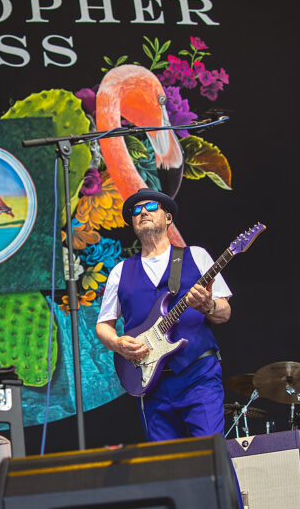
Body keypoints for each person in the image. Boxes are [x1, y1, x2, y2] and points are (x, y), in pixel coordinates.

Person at [95, 188, 232, 441]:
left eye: (150, 207)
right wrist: (117, 343)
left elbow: (224, 313)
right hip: (150, 383)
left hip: (198, 374)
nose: (143, 212)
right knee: (166, 461)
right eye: (136, 210)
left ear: (168, 218)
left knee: (212, 452)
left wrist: (208, 306)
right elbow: (103, 325)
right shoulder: (120, 272)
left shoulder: (196, 256)